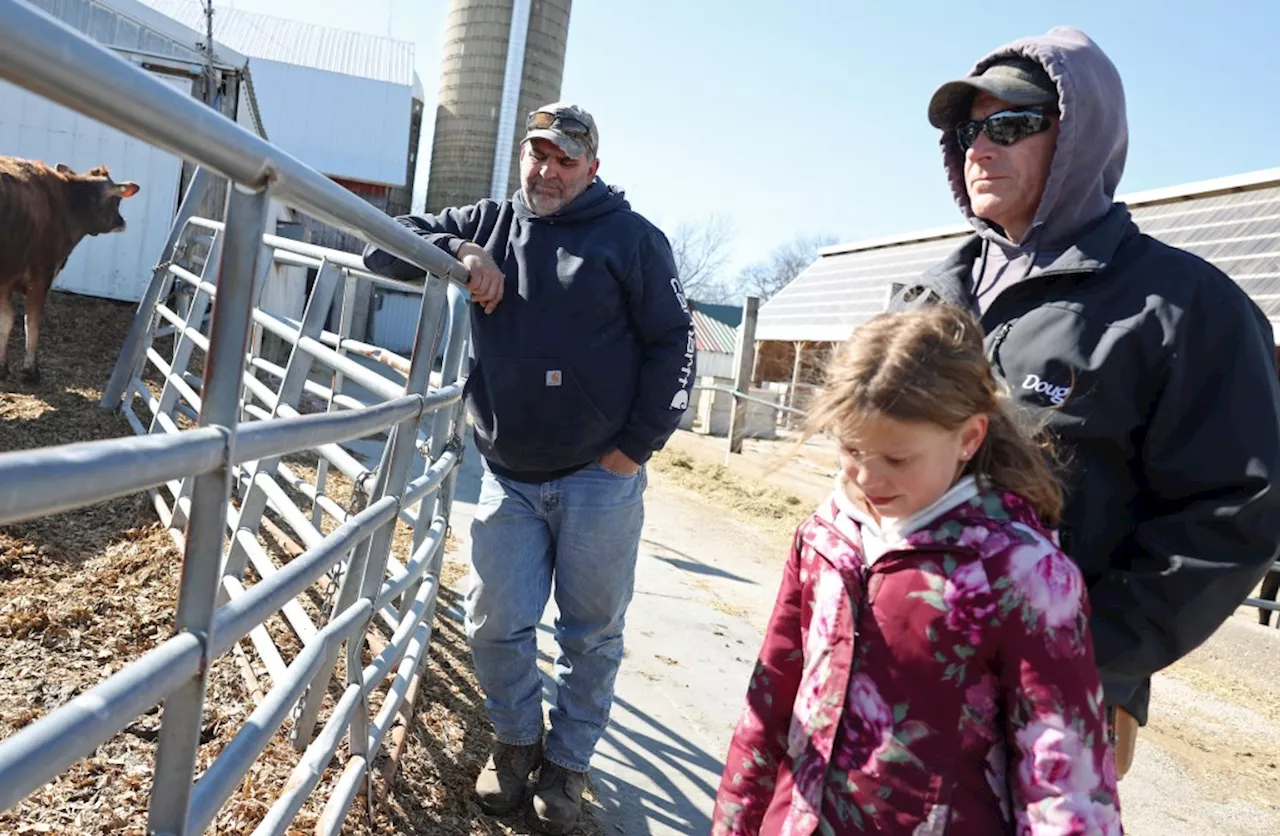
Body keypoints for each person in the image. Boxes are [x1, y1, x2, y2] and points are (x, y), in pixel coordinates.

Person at [890, 25, 1280, 773]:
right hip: (902, 659)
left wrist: (1087, 657)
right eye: (969, 129)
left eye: (1011, 123)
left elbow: (1234, 512)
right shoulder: (925, 299)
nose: (980, 146)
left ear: (1080, 139)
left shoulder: (1184, 309)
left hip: (1051, 702)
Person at [363, 102, 695, 834]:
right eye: (536, 155)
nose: (546, 172)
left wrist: (634, 448)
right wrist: (460, 251)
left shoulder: (632, 240)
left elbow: (678, 344)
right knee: (495, 620)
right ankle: (516, 744)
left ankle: (569, 764)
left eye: (564, 160)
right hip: (508, 472)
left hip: (597, 477)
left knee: (591, 633)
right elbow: (380, 249)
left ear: (593, 169)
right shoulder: (489, 221)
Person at [713, 304, 1121, 835]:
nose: (867, 476)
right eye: (851, 448)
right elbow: (769, 706)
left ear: (969, 439)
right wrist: (735, 823)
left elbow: (1063, 776)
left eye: (898, 459)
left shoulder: (1023, 576)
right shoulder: (824, 538)